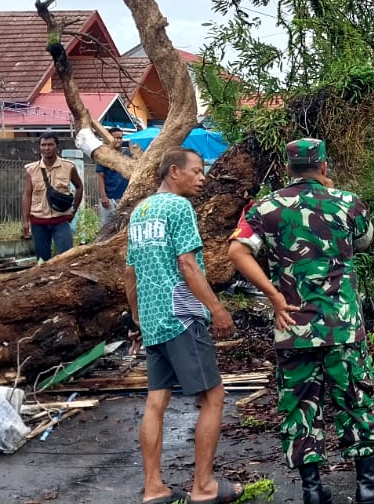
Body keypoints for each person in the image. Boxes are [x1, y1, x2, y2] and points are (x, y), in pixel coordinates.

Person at [228, 138, 374, 504]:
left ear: (288, 168)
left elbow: (237, 251)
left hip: (293, 325)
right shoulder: (348, 202)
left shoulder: (264, 207)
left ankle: (312, 490)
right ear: (323, 166)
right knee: (355, 398)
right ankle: (368, 484)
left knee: (300, 403)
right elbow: (366, 241)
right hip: (342, 324)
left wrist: (274, 296)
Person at [125, 147, 239, 504]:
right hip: (181, 315)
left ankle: (153, 487)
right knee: (213, 396)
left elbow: (130, 272)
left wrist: (137, 314)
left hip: (154, 319)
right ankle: (203, 486)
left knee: (156, 401)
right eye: (197, 170)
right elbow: (188, 265)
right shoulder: (179, 208)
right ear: (174, 172)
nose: (202, 177)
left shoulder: (140, 212)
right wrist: (217, 309)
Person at [21, 134, 82, 261]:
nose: (47, 148)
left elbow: (79, 187)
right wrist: (25, 220)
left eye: (50, 145)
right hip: (38, 221)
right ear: (39, 148)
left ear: (57, 147)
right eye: (43, 145)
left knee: (67, 258)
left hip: (61, 220)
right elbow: (27, 194)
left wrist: (74, 210)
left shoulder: (68, 167)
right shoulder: (31, 169)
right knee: (42, 260)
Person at [97, 128, 130, 216]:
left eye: (120, 138)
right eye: (115, 138)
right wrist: (103, 197)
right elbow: (100, 176)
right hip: (109, 198)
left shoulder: (127, 154)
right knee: (107, 226)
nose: (118, 140)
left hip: (125, 198)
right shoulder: (103, 155)